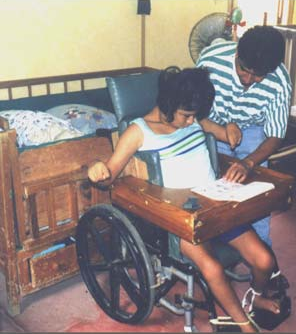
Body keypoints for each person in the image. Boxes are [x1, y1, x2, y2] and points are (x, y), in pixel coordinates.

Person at [87, 67, 280, 332]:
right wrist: (97, 168)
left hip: (217, 208)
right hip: (182, 220)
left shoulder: (194, 119)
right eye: (187, 115)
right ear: (168, 104)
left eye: (196, 116)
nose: (192, 122)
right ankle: (245, 325)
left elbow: (226, 135)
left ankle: (255, 298)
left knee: (265, 260)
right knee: (211, 268)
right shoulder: (139, 131)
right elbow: (109, 175)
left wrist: (231, 130)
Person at [197, 25, 292, 247]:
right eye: (244, 70)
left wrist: (248, 162)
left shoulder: (280, 81)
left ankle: (263, 258)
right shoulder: (210, 60)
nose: (248, 80)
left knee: (256, 199)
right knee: (209, 190)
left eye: (258, 75)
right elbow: (194, 111)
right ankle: (214, 252)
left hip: (253, 132)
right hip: (211, 127)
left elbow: (276, 134)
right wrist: (222, 129)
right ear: (237, 53)